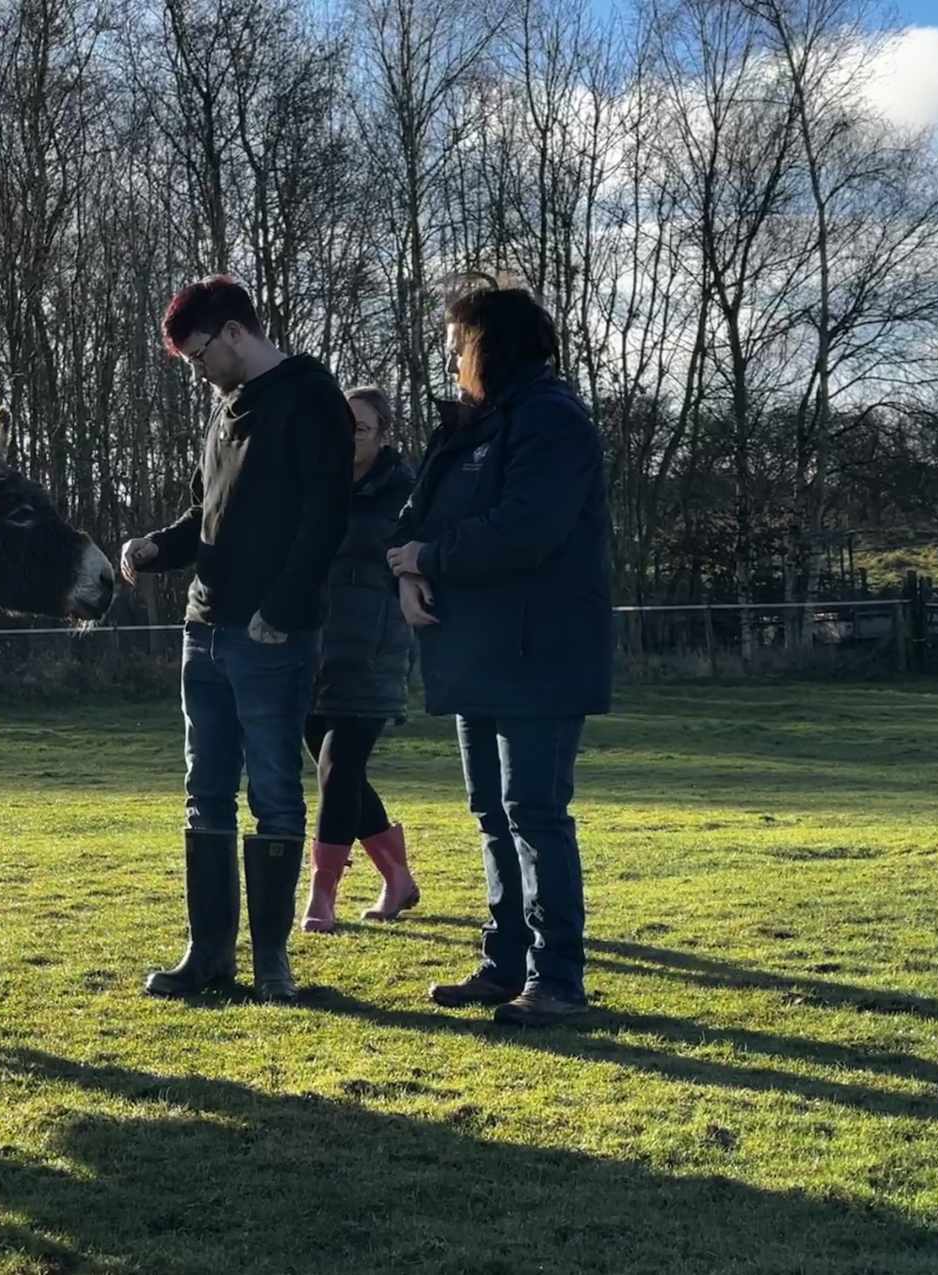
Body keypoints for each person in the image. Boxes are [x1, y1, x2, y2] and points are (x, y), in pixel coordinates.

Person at [120, 275, 353, 1003]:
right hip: (205, 631)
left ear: (232, 332)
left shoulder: (312, 395)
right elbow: (206, 515)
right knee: (205, 793)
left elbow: (326, 516)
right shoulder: (224, 412)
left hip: (272, 637)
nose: (199, 373)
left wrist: (281, 610)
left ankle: (272, 961)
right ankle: (208, 955)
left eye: (198, 357)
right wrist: (156, 547)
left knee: (277, 793)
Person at [386, 284, 612, 1026]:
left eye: (458, 343)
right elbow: (414, 520)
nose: (451, 358)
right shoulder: (475, 426)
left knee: (535, 811)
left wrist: (427, 556)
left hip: (538, 653)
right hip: (478, 651)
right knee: (493, 811)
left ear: (488, 342)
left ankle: (559, 979)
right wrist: (412, 569)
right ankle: (504, 960)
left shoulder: (552, 421)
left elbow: (524, 530)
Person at [300, 386, 419, 933]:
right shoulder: (311, 482)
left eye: (362, 428)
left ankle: (321, 895)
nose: (349, 437)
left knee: (338, 766)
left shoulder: (406, 492)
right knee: (336, 776)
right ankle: (397, 877)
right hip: (310, 650)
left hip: (373, 652)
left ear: (384, 433)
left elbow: (422, 562)